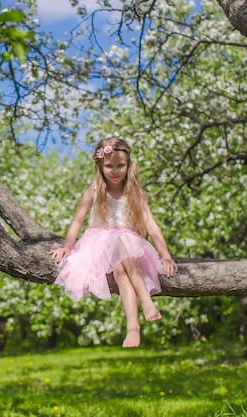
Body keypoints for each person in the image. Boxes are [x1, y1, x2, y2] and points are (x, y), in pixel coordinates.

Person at [50, 137, 178, 348]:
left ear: (128, 166)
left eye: (121, 165)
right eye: (109, 166)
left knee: (120, 269)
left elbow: (151, 225)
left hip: (128, 245)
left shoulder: (134, 192)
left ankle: (133, 326)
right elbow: (78, 220)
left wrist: (165, 255)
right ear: (100, 166)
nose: (115, 170)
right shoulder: (93, 190)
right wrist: (67, 246)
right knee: (119, 242)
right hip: (99, 243)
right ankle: (146, 301)